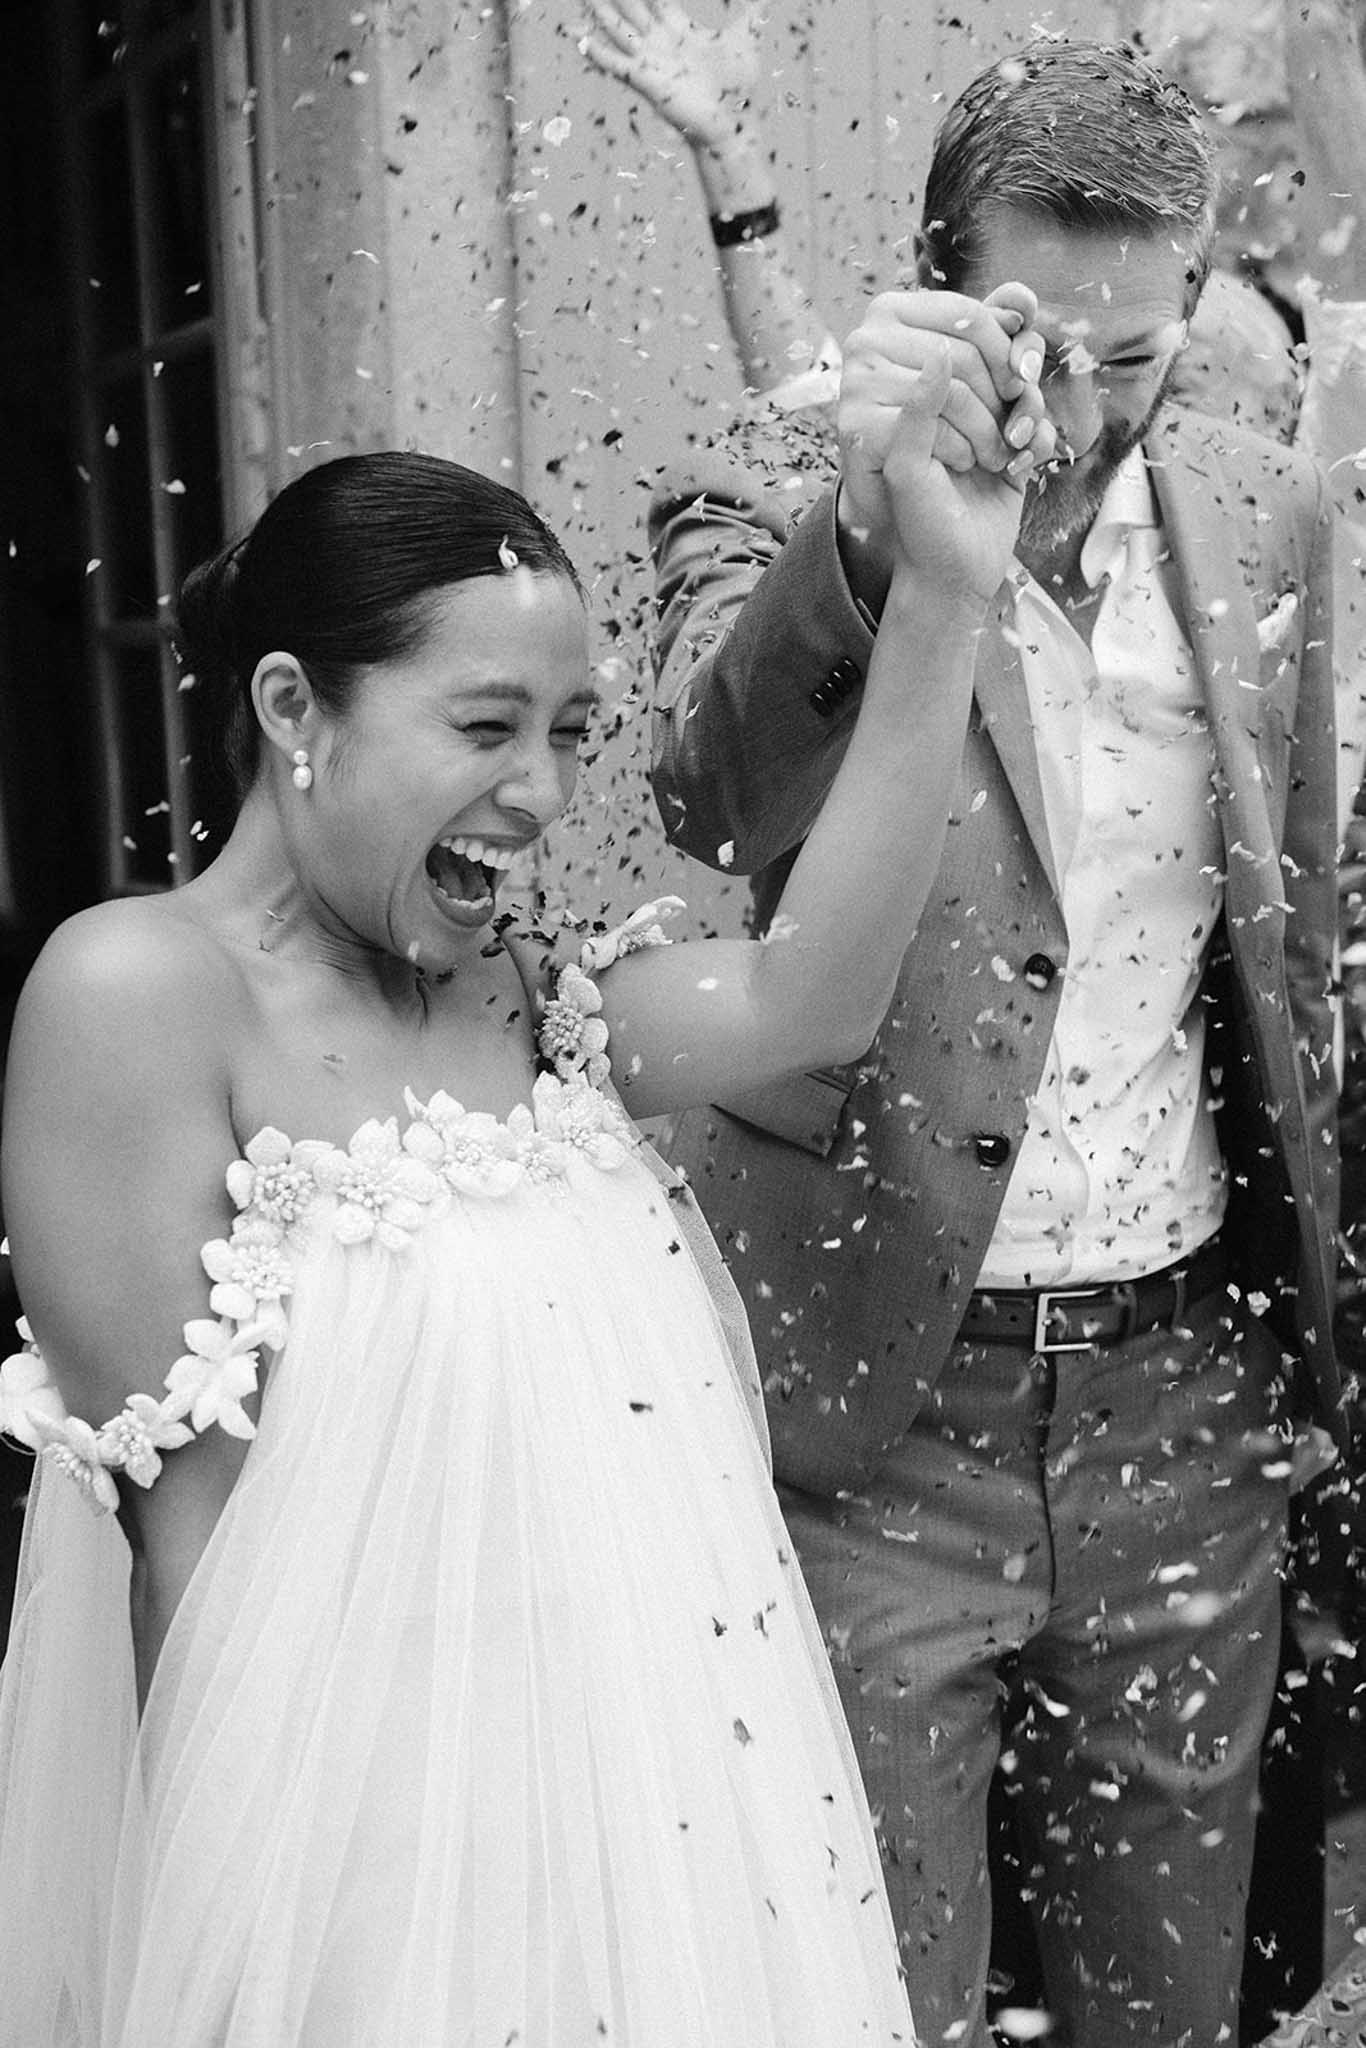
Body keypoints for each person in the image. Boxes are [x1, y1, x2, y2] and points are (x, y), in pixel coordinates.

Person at [0, 408, 1053, 2043]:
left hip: (639, 1827)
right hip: (362, 1875)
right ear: (295, 708)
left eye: (570, 731)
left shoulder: (528, 992)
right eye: (487, 725)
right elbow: (193, 1564)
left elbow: (814, 995)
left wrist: (936, 601)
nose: (542, 791)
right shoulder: (133, 996)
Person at [648, 37, 1347, 2048]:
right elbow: (707, 802)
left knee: (1167, 2003)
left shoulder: (1258, 505)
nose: (1085, 407)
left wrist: (1297, 1348)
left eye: (1141, 350)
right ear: (941, 284)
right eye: (1045, 334)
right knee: (876, 1999)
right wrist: (882, 548)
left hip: (1181, 1414)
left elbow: (1282, 934)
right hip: (877, 1416)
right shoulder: (780, 491)